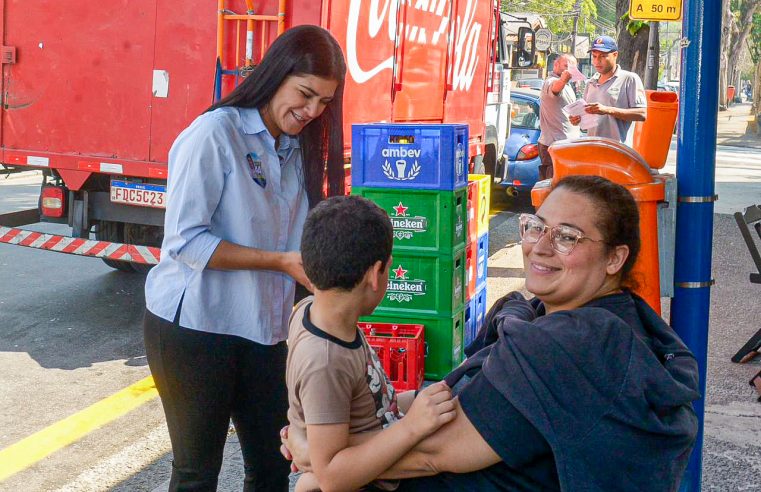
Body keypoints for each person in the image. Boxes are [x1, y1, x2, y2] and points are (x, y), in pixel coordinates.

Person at [284, 175, 701, 491]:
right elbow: (454, 396)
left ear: (615, 258)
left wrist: (320, 456)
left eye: (567, 237)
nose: (540, 246)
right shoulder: (596, 321)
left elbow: (430, 454)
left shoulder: (573, 348)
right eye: (537, 227)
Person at [142, 25, 347, 491]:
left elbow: (299, 240)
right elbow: (186, 242)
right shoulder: (215, 134)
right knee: (197, 474)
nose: (313, 111)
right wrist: (279, 262)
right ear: (276, 74)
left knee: (276, 467)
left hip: (264, 331)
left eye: (324, 103)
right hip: (195, 328)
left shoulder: (295, 148)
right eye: (305, 94)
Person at [286, 195, 456, 492]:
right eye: (388, 268)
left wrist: (416, 402)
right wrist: (412, 426)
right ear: (374, 276)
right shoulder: (326, 360)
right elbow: (331, 476)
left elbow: (364, 408)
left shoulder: (313, 312)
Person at [569, 36, 647, 143]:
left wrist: (607, 110)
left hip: (618, 151)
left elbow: (642, 114)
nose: (597, 61)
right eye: (594, 56)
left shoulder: (629, 79)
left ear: (615, 55)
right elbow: (586, 119)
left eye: (603, 56)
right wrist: (577, 119)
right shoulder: (590, 83)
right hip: (593, 148)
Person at [538, 54, 580, 180]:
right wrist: (563, 80)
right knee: (552, 186)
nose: (569, 70)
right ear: (556, 65)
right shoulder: (550, 82)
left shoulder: (568, 86)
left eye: (573, 68)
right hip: (553, 145)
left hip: (566, 144)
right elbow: (555, 88)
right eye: (566, 66)